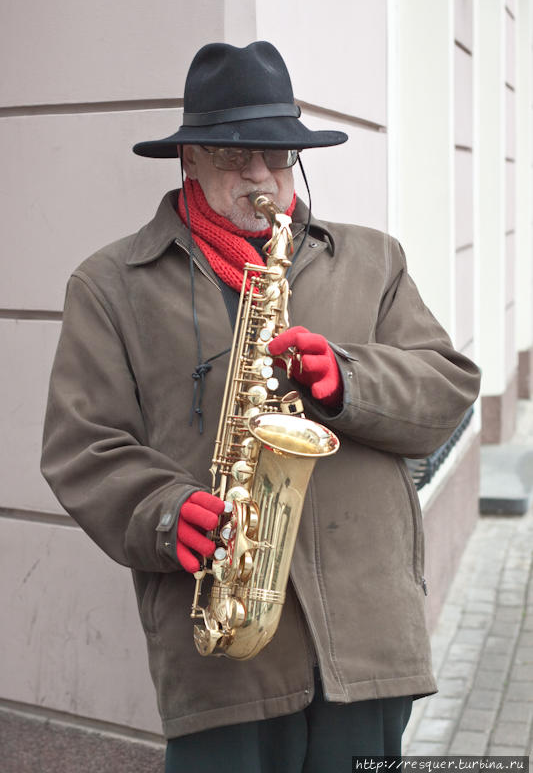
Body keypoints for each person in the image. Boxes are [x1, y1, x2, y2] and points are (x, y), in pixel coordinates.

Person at [41, 41, 481, 771]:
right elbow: (81, 448)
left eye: (276, 157)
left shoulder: (373, 260)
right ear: (187, 159)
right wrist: (163, 512)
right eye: (232, 156)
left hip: (367, 643)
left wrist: (346, 380)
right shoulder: (109, 284)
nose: (260, 178)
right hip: (225, 660)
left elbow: (444, 390)